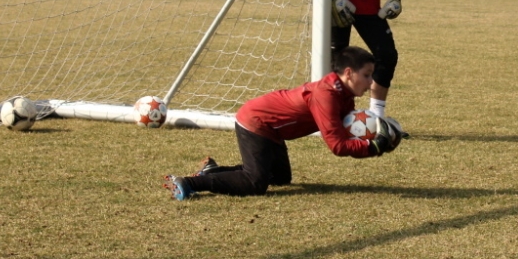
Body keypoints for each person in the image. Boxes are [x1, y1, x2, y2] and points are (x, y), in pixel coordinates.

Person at [162, 46, 401, 200]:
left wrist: (382, 139)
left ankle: (214, 171)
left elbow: (346, 133)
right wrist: (374, 147)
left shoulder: (343, 93)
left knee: (280, 178)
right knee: (255, 184)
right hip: (256, 122)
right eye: (367, 75)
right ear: (349, 73)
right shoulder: (327, 95)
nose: (371, 83)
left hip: (273, 130)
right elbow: (337, 146)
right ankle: (190, 182)